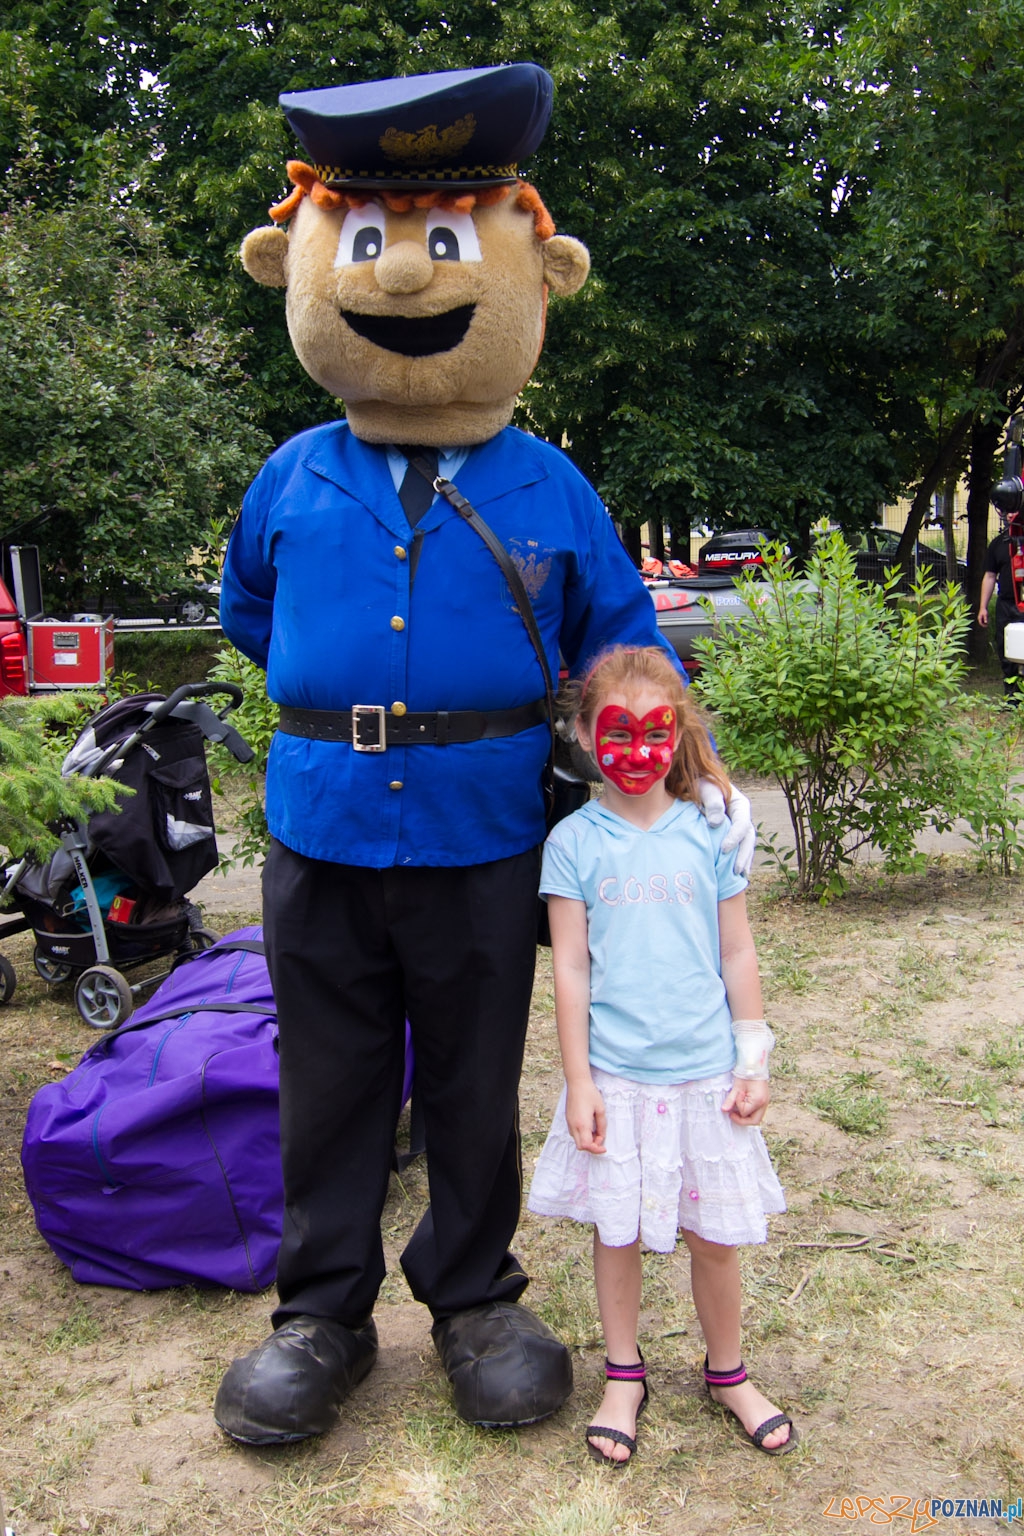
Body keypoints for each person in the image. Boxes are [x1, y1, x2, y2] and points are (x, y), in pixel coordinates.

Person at [214, 64, 756, 1446]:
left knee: (468, 1073)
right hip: (320, 825)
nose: (402, 278)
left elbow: (626, 650)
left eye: (446, 239)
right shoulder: (291, 475)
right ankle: (318, 1314)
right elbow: (250, 612)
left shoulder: (550, 483)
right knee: (328, 1081)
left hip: (484, 831)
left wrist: (687, 765)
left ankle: (472, 1296)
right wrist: (340, 705)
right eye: (371, 237)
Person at [528, 645, 795, 1465]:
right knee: (617, 1231)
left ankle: (728, 1373)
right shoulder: (573, 842)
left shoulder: (710, 832)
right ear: (582, 733)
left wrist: (752, 1059)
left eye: (656, 733)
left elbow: (737, 952)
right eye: (618, 732)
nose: (638, 751)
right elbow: (570, 968)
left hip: (705, 1074)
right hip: (617, 1075)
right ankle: (623, 1374)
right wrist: (579, 1082)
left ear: (678, 731)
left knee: (715, 1236)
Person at [979, 527, 1024, 697]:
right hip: (1006, 604)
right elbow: (990, 576)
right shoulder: (999, 543)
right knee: (1006, 650)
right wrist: (983, 607)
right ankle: (1012, 697)